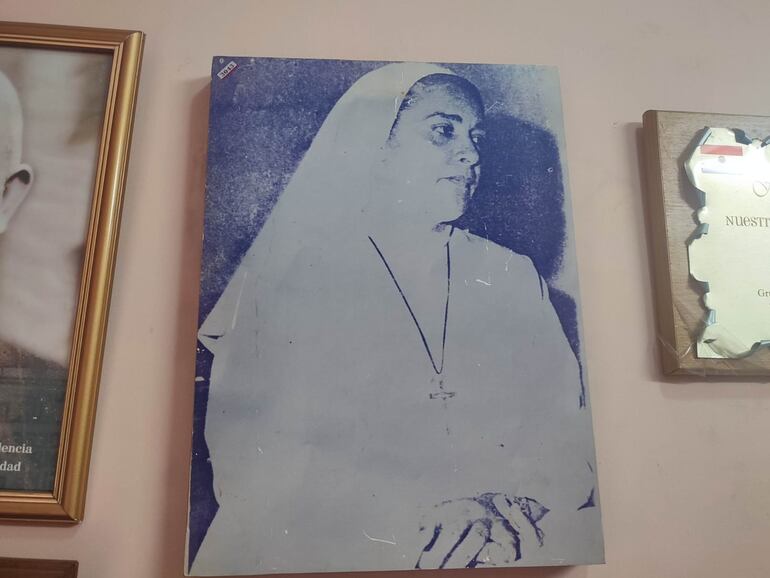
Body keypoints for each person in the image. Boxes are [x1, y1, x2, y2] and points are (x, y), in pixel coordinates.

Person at [191, 62, 602, 575]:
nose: (471, 154)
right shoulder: (292, 276)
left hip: (498, 536)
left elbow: (564, 428)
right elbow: (258, 461)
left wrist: (506, 504)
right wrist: (415, 516)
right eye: (443, 130)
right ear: (374, 145)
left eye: (476, 137)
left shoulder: (511, 274)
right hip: (339, 543)